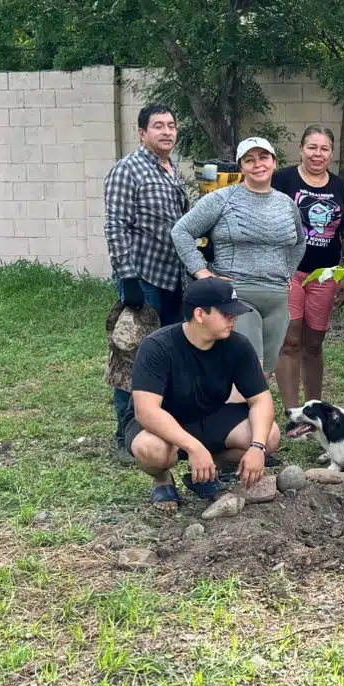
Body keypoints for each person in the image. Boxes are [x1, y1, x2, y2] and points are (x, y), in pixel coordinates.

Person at [127, 277, 281, 512]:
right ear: (200, 314)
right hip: (165, 422)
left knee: (270, 435)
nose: (234, 319)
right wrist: (193, 447)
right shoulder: (156, 346)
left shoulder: (238, 346)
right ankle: (163, 480)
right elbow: (146, 411)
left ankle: (207, 472)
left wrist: (257, 447)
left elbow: (261, 399)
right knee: (151, 450)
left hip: (211, 415)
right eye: (226, 314)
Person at [170, 136, 307, 376]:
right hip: (237, 296)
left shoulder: (286, 203)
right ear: (241, 167)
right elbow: (181, 231)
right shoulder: (222, 199)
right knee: (244, 371)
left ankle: (253, 414)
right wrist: (202, 273)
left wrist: (288, 274)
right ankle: (235, 413)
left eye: (263, 157)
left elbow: (299, 242)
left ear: (274, 162)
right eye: (249, 160)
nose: (258, 164)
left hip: (276, 299)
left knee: (264, 374)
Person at [274, 125, 344, 419]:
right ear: (301, 149)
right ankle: (291, 411)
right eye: (312, 147)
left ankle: (313, 412)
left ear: (331, 153)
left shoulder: (341, 187)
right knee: (290, 340)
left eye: (324, 148)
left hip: (325, 274)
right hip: (288, 272)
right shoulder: (283, 179)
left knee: (314, 343)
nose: (317, 154)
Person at [104, 103, 189, 326]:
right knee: (142, 349)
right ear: (143, 133)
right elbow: (116, 225)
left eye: (171, 126)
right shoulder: (127, 169)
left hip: (175, 276)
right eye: (158, 126)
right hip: (144, 277)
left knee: (172, 346)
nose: (167, 131)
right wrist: (127, 277)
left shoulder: (173, 169)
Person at [106, 299, 160, 464]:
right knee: (127, 366)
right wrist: (130, 282)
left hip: (180, 290)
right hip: (145, 289)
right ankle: (124, 438)